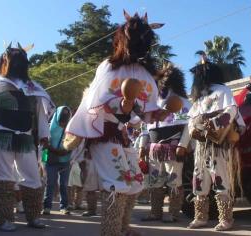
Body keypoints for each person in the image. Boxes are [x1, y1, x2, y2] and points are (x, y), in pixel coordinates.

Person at [65, 10, 166, 236]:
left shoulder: (144, 73)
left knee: (135, 182)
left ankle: (122, 227)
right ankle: (110, 231)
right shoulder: (108, 67)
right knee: (117, 182)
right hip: (104, 132)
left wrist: (153, 115)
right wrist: (123, 106)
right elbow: (96, 102)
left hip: (121, 134)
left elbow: (142, 110)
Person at [0, 43, 54, 231]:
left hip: (25, 138)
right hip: (1, 137)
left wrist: (44, 135)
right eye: (15, 61)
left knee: (33, 176)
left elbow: (41, 112)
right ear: (6, 61)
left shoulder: (33, 88)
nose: (19, 64)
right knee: (4, 177)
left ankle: (33, 216)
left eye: (22, 61)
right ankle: (5, 219)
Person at [187, 56, 245, 231]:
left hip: (218, 144)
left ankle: (226, 219)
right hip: (201, 146)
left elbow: (232, 110)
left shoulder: (222, 90)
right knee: (199, 179)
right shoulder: (198, 97)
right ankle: (200, 217)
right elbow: (191, 118)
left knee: (220, 179)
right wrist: (193, 129)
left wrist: (214, 125)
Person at [141, 63, 191, 223]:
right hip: (154, 147)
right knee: (155, 181)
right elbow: (145, 125)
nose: (163, 81)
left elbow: (188, 126)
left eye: (166, 78)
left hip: (173, 147)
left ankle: (173, 213)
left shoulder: (182, 101)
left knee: (173, 180)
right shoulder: (153, 101)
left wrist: (183, 145)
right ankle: (155, 212)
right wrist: (143, 145)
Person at [43, 106, 72, 215]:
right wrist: (43, 162)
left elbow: (74, 143)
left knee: (63, 184)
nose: (65, 115)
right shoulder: (49, 128)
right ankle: (47, 207)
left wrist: (66, 151)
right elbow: (44, 146)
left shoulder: (71, 128)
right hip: (51, 161)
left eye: (67, 113)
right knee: (50, 183)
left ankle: (64, 207)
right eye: (63, 113)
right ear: (58, 114)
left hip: (65, 160)